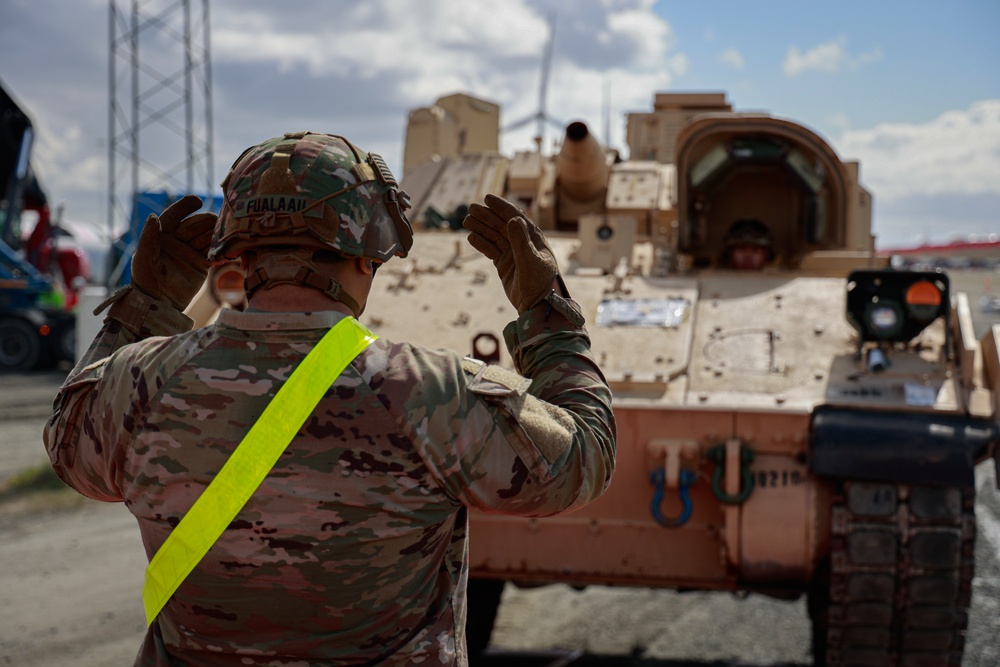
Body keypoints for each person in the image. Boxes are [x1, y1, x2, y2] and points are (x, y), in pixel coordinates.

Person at [44, 131, 616, 666]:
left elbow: (69, 444)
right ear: (367, 251)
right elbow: (583, 461)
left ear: (239, 253)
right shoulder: (430, 391)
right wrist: (547, 314)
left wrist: (144, 305)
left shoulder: (140, 381)